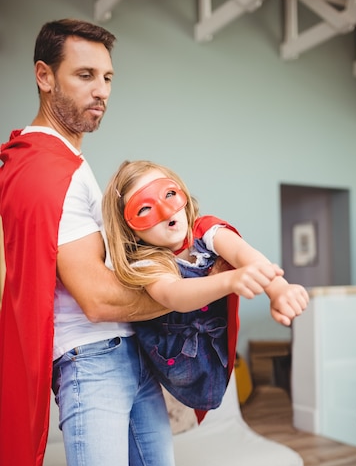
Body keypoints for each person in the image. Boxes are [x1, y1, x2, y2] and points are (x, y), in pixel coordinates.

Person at [1, 19, 187, 466]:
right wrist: (191, 296)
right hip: (91, 361)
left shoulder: (70, 163)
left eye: (107, 77)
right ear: (43, 76)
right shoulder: (44, 171)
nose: (101, 89)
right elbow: (99, 300)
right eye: (85, 75)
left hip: (126, 357)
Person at [102, 160, 309, 421]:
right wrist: (229, 281)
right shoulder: (146, 262)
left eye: (169, 194)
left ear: (183, 194)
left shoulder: (207, 230)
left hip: (213, 355)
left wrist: (278, 289)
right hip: (177, 364)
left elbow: (246, 256)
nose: (166, 212)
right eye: (144, 208)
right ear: (128, 228)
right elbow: (174, 294)